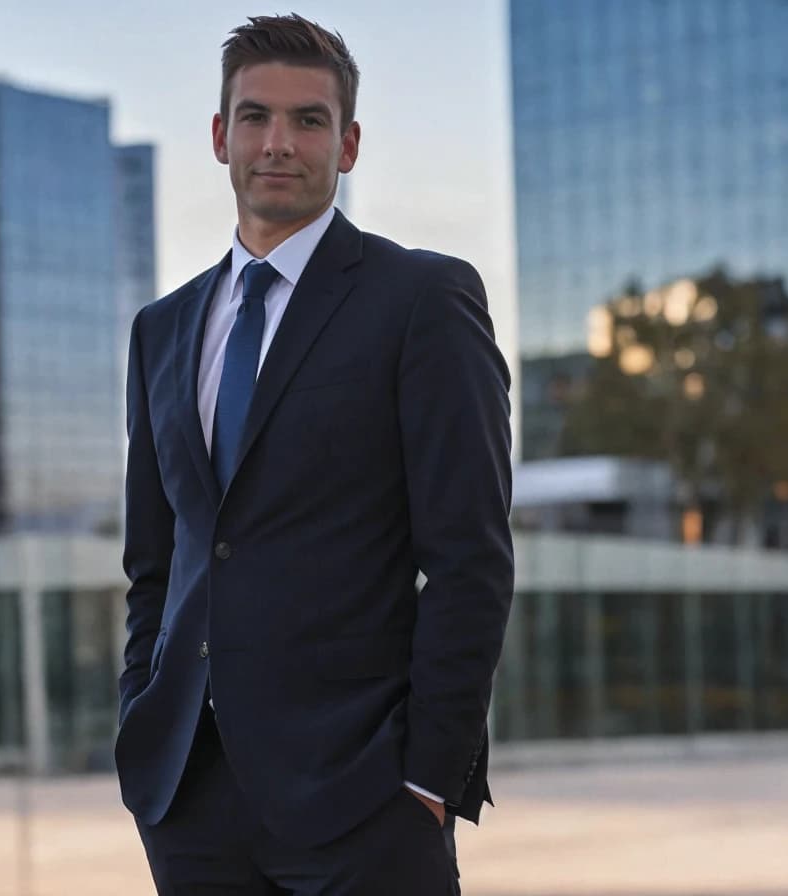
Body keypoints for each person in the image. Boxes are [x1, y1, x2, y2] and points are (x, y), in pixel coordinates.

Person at [115, 13, 514, 895]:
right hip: (190, 799)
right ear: (220, 137)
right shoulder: (162, 330)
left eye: (308, 120)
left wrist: (427, 779)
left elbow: (470, 561)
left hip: (364, 799)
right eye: (254, 117)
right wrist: (140, 717)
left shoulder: (422, 299)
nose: (278, 143)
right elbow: (157, 559)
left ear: (350, 143)